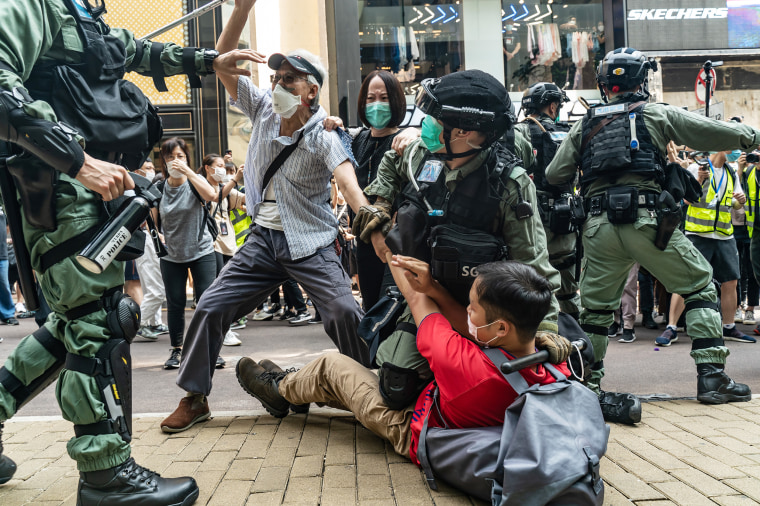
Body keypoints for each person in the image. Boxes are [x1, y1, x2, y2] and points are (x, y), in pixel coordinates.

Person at [0, 0, 253, 501]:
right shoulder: (31, 5)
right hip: (65, 190)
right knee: (99, 323)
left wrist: (208, 62)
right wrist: (77, 161)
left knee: (72, 324)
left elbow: (138, 51)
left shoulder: (79, 15)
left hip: (97, 193)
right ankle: (106, 475)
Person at [161, 0, 372, 434]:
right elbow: (221, 65)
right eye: (276, 77)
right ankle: (195, 396)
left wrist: (367, 215)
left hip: (311, 241)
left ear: (310, 90)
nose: (278, 83)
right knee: (211, 306)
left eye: (289, 78)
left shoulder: (324, 134)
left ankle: (368, 391)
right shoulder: (261, 111)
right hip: (262, 241)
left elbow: (348, 184)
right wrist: (241, 9)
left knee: (342, 313)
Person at [545, 48, 758, 419]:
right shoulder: (655, 113)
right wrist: (750, 136)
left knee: (594, 310)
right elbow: (710, 132)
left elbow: (554, 174)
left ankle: (588, 386)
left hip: (597, 227)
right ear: (640, 80)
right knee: (698, 286)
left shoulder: (586, 122)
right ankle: (712, 378)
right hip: (648, 223)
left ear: (604, 84)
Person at [352, 69, 562, 411]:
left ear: (464, 131)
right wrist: (381, 203)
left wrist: (547, 327)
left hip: (483, 309)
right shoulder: (422, 155)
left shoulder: (510, 184)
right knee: (395, 385)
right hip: (425, 293)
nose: (426, 125)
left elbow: (533, 264)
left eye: (435, 119)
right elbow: (391, 163)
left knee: (505, 382)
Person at [234, 259, 572, 468]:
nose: (466, 311)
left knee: (332, 366)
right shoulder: (553, 361)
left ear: (501, 327)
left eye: (473, 308)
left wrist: (388, 245)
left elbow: (415, 297)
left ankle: (277, 390)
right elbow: (465, 324)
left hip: (413, 430)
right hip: (454, 412)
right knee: (359, 380)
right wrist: (440, 288)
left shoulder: (461, 363)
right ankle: (297, 390)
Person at [660, 150, 756, 345]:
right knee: (686, 280)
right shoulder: (697, 167)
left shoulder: (730, 172)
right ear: (722, 148)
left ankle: (729, 327)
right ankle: (671, 327)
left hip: (724, 235)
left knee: (731, 281)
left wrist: (740, 201)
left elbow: (735, 203)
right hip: (698, 234)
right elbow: (683, 200)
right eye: (732, 148)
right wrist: (699, 180)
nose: (736, 152)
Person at [514, 82, 581, 319]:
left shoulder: (518, 132)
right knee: (568, 287)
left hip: (531, 216)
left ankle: (540, 335)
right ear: (553, 106)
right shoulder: (570, 132)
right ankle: (579, 341)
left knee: (532, 280)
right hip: (565, 218)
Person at [158, 138, 225, 369]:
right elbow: (153, 221)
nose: (175, 161)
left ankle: (210, 349)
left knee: (206, 300)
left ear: (187, 159)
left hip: (201, 250)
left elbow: (211, 195)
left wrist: (187, 171)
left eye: (180, 156)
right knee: (175, 303)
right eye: (170, 157)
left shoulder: (195, 183)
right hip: (171, 255)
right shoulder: (159, 188)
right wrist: (158, 236)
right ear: (163, 162)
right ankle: (177, 350)